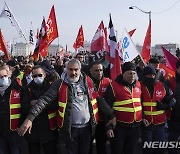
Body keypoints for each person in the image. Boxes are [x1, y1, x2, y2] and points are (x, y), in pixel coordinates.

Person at [18, 58, 116, 154]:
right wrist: (30, 118)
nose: (73, 73)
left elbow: (98, 99)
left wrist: (111, 114)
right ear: (66, 69)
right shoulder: (59, 84)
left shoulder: (88, 81)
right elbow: (44, 100)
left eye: (76, 70)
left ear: (80, 70)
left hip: (87, 129)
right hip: (70, 130)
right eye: (70, 69)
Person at [104, 62, 142, 154]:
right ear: (123, 73)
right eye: (130, 73)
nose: (132, 76)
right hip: (119, 128)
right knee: (117, 151)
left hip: (135, 127)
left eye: (134, 73)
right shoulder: (113, 86)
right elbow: (107, 108)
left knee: (131, 151)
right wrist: (108, 127)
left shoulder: (138, 84)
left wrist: (143, 118)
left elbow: (139, 104)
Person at [21, 65, 58, 154]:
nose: (37, 78)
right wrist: (33, 104)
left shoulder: (51, 87)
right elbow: (24, 107)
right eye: (35, 76)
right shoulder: (27, 89)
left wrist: (36, 102)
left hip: (49, 128)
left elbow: (55, 104)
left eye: (40, 75)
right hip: (33, 129)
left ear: (44, 75)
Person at [141, 66, 175, 154]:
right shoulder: (138, 86)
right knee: (147, 149)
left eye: (153, 75)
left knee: (160, 149)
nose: (152, 77)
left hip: (160, 124)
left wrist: (166, 106)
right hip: (146, 125)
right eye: (149, 75)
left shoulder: (162, 85)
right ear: (144, 76)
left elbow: (173, 99)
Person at [89, 61, 111, 154]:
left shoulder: (108, 82)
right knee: (88, 147)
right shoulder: (86, 82)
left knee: (102, 147)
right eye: (96, 70)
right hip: (89, 122)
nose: (99, 72)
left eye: (101, 70)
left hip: (102, 121)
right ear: (91, 71)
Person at [0, 67, 22, 154]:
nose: (3, 79)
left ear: (9, 75)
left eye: (4, 76)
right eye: (0, 77)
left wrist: (21, 124)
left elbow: (23, 108)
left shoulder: (17, 89)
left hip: (14, 131)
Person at [165, 60, 180, 154]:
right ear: (177, 68)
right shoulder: (169, 81)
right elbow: (164, 97)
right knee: (173, 141)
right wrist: (170, 101)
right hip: (174, 117)